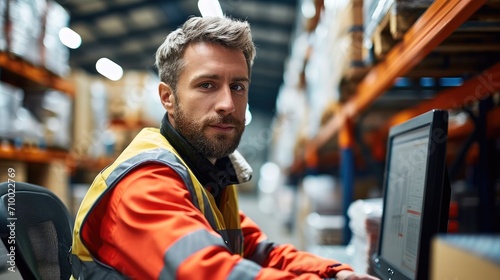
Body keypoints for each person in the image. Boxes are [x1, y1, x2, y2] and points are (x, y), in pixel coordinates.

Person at [70, 16, 379, 280]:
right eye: (207, 85)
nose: (228, 105)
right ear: (167, 97)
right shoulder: (146, 185)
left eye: (238, 87)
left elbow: (259, 251)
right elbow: (215, 274)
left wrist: (334, 272)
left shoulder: (209, 174)